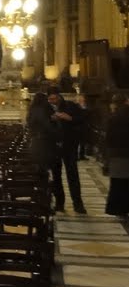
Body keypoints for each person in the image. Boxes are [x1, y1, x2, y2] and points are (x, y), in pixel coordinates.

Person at [46, 85, 87, 213]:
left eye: (54, 98)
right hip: (54, 146)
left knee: (72, 175)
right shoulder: (46, 108)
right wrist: (50, 120)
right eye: (50, 99)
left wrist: (69, 118)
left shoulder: (70, 106)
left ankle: (78, 204)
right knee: (56, 177)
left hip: (69, 145)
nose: (52, 101)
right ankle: (59, 204)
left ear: (59, 96)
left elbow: (82, 120)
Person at [105, 95, 129, 216]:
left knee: (118, 183)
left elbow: (108, 138)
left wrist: (106, 159)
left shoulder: (113, 118)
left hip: (117, 154)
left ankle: (119, 209)